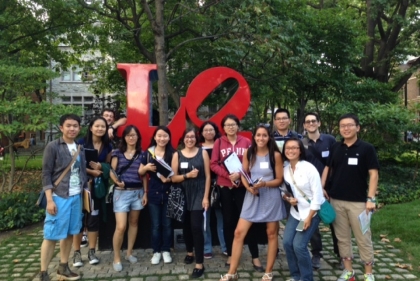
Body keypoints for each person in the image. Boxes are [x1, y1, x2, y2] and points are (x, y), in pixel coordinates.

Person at [220, 125, 285, 281]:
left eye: (264, 135)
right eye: (258, 135)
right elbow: (243, 173)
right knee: (238, 233)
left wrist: (264, 184)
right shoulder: (249, 153)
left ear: (269, 137)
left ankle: (268, 272)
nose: (261, 138)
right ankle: (232, 273)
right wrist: (248, 187)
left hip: (271, 196)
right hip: (253, 196)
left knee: (271, 234)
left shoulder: (275, 155)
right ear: (254, 137)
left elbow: (279, 179)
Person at [321, 113, 379, 281]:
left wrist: (371, 199)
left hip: (359, 203)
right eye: (342, 126)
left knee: (363, 237)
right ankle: (349, 272)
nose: (346, 128)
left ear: (358, 127)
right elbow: (327, 168)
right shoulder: (336, 147)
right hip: (336, 200)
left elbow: (373, 175)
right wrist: (322, 187)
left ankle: (368, 274)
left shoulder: (367, 148)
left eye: (349, 125)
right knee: (342, 238)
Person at [211, 114, 264, 272]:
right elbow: (213, 164)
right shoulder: (218, 142)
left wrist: (240, 175)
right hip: (225, 187)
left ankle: (255, 256)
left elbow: (252, 162)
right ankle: (230, 254)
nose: (230, 127)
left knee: (248, 220)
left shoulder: (247, 142)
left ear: (238, 126)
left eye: (233, 124)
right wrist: (228, 175)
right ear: (223, 128)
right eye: (227, 125)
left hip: (243, 187)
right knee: (228, 222)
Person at [38, 114, 88, 281]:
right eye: (68, 125)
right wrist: (49, 200)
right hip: (59, 196)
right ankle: (44, 273)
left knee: (69, 233)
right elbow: (46, 174)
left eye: (75, 126)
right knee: (51, 235)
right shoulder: (53, 147)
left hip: (76, 196)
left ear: (79, 128)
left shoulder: (79, 148)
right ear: (61, 128)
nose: (72, 128)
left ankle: (63, 267)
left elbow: (82, 172)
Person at [72, 116, 112, 267]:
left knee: (94, 219)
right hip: (80, 187)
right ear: (91, 128)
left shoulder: (108, 146)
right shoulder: (81, 143)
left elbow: (108, 164)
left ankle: (92, 251)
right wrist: (90, 171)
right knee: (79, 220)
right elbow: (74, 164)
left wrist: (101, 168)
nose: (100, 129)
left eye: (103, 126)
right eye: (97, 126)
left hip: (96, 189)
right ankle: (76, 253)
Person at [282, 138, 324, 281]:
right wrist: (288, 199)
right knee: (287, 243)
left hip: (311, 213)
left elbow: (318, 196)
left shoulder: (309, 168)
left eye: (294, 148)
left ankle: (306, 278)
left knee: (299, 246)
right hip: (296, 212)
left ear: (300, 150)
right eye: (288, 148)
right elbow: (284, 191)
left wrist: (308, 218)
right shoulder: (285, 169)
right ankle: (296, 275)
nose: (291, 150)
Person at [171, 127, 211, 278]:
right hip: (182, 194)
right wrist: (187, 175)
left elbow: (207, 176)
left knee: (196, 227)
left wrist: (206, 197)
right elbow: (173, 178)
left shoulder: (203, 153)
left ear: (196, 138)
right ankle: (189, 252)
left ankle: (199, 263)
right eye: (187, 137)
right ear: (183, 139)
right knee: (185, 226)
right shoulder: (177, 154)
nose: (190, 139)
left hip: (199, 193)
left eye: (192, 137)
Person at [109, 125, 148, 272]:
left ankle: (129, 252)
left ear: (138, 137)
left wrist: (145, 192)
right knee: (121, 227)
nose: (131, 138)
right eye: (128, 135)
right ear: (124, 137)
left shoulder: (142, 154)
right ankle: (116, 257)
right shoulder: (117, 153)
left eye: (134, 135)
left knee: (134, 222)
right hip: (121, 193)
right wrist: (116, 182)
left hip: (137, 192)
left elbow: (143, 174)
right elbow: (112, 171)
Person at [302, 112, 337, 269]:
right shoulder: (301, 143)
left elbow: (336, 163)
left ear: (319, 123)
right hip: (311, 190)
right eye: (307, 122)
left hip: (331, 187)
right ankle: (317, 254)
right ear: (304, 125)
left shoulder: (330, 140)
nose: (310, 123)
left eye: (313, 121)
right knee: (313, 224)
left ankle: (341, 254)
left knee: (335, 222)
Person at [140, 126, 175, 265]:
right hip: (153, 193)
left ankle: (166, 250)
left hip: (169, 193)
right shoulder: (148, 153)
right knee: (155, 225)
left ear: (169, 138)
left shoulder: (173, 153)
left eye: (165, 136)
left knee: (167, 224)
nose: (162, 138)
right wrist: (146, 168)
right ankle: (156, 251)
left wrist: (169, 179)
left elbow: (176, 174)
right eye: (159, 136)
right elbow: (141, 173)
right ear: (154, 137)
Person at [198, 121, 227, 259]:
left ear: (216, 131)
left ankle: (225, 247)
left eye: (211, 129)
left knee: (222, 218)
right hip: (203, 186)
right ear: (202, 133)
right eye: (206, 130)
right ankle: (206, 247)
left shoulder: (222, 145)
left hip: (221, 183)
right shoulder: (198, 148)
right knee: (205, 219)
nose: (208, 132)